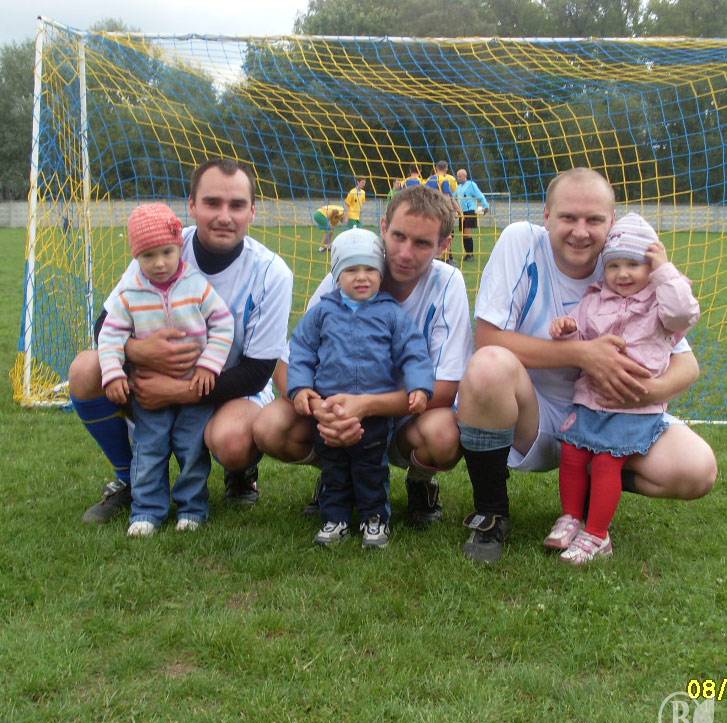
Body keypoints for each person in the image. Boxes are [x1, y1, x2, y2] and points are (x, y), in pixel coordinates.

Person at [456, 167, 717, 564]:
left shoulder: (624, 265)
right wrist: (583, 354)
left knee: (698, 469)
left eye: (594, 220)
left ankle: (595, 483)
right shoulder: (521, 241)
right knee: (488, 365)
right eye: (568, 217)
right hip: (534, 415)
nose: (580, 231)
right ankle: (491, 513)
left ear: (610, 222)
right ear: (547, 216)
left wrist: (643, 393)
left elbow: (688, 365)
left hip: (613, 415)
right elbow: (488, 339)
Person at [69, 158, 293, 524]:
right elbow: (104, 325)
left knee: (233, 441)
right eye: (212, 203)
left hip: (229, 387)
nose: (224, 216)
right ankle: (129, 480)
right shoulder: (162, 247)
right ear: (192, 205)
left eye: (237, 205)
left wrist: (175, 392)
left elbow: (256, 373)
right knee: (85, 368)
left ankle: (240, 472)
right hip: (150, 376)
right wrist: (138, 351)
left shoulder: (272, 273)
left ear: (253, 211)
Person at [254, 185, 472, 527]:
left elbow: (445, 389)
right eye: (398, 236)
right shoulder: (351, 271)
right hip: (335, 407)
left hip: (406, 415)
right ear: (383, 227)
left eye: (422, 243)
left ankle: (420, 482)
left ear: (444, 245)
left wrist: (365, 406)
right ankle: (337, 474)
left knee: (444, 435)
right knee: (270, 426)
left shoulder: (448, 284)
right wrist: (322, 409)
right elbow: (288, 364)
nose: (405, 253)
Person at [545, 212, 700, 564]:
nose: (623, 274)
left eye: (633, 264)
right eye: (614, 266)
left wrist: (664, 272)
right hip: (591, 399)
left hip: (633, 406)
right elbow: (580, 343)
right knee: (572, 455)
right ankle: (571, 517)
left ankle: (597, 535)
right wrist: (566, 330)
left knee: (605, 462)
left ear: (650, 267)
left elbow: (684, 315)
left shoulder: (661, 303)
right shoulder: (595, 299)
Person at [288, 228, 434, 547]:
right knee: (334, 467)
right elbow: (300, 350)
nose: (362, 277)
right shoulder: (322, 312)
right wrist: (299, 388)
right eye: (351, 270)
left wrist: (420, 386)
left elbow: (414, 352)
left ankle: (375, 519)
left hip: (374, 414)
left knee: (371, 468)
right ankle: (335, 519)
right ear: (337, 275)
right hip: (329, 410)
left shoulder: (392, 314)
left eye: (369, 269)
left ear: (380, 273)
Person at [98, 203, 235, 536]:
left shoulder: (196, 285)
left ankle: (193, 508)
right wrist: (114, 373)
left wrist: (209, 365)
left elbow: (223, 323)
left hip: (195, 390)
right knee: (149, 448)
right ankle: (146, 511)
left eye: (167, 252)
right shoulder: (129, 293)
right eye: (148, 256)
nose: (159, 263)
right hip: (149, 390)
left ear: (178, 248)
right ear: (136, 256)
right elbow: (110, 335)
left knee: (192, 448)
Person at [425, 161, 459, 263]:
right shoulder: (444, 180)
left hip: (430, 211)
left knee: (434, 234)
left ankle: (433, 256)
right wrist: (453, 211)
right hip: (442, 211)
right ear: (446, 169)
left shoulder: (429, 180)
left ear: (436, 168)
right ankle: (447, 258)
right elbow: (447, 198)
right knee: (448, 234)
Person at [454, 169, 489, 263]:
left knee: (467, 233)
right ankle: (468, 254)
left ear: (465, 176)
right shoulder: (458, 187)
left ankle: (471, 255)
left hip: (470, 212)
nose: (458, 178)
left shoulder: (471, 185)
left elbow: (480, 195)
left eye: (460, 176)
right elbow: (453, 197)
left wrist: (486, 206)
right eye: (457, 176)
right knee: (464, 235)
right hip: (462, 213)